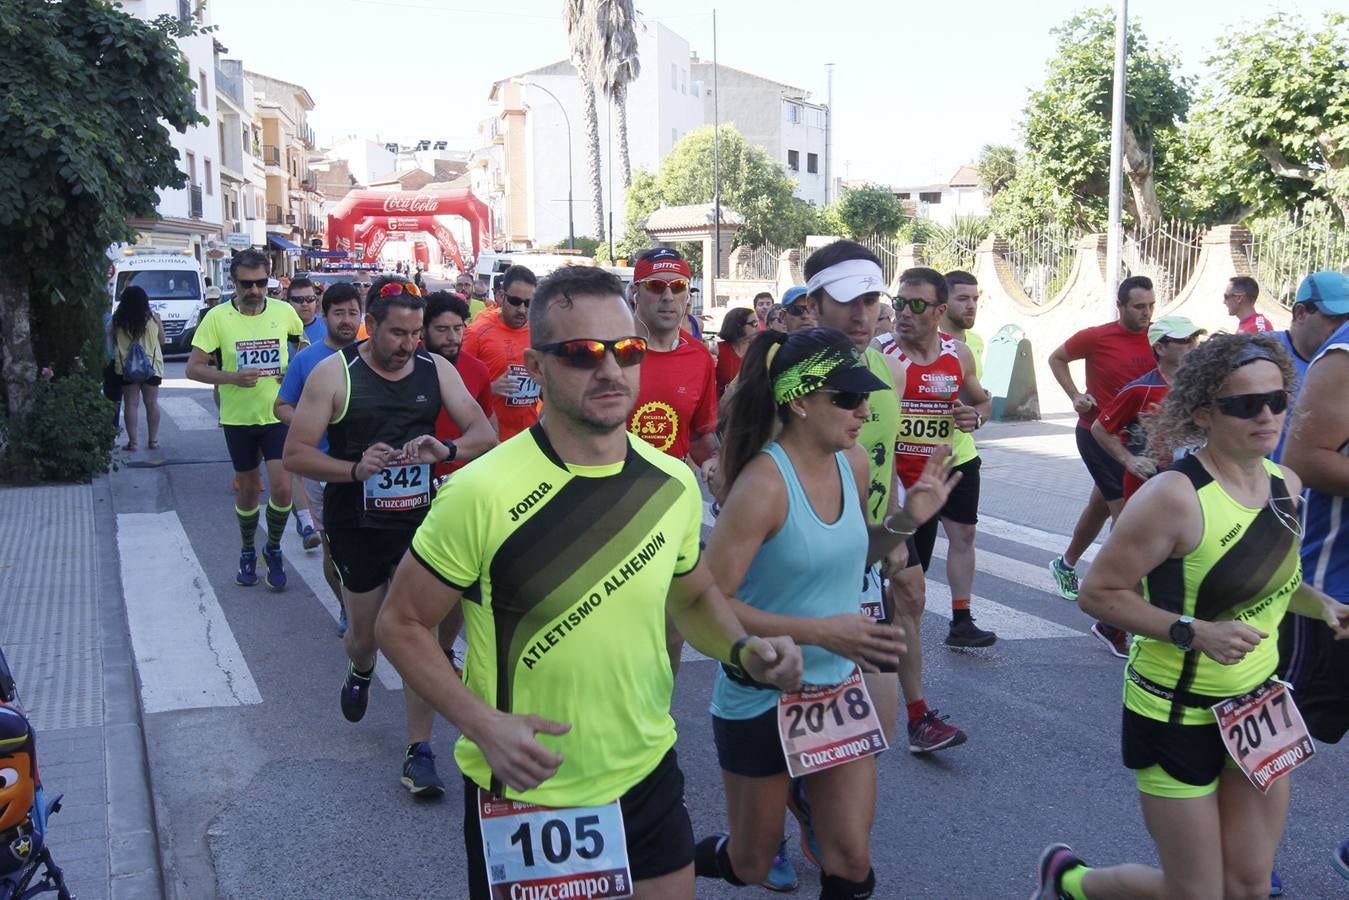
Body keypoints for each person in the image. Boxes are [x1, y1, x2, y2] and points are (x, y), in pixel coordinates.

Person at [373, 265, 804, 900]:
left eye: (624, 350)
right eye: (580, 353)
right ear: (537, 366)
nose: (610, 370)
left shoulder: (673, 482)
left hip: (646, 767)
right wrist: (483, 726)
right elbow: (401, 623)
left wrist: (743, 650)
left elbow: (692, 597)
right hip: (525, 788)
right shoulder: (479, 491)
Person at [1037, 333, 1349, 900]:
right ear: (1204, 412)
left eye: (1277, 400)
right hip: (1175, 714)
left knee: (1251, 886)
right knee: (1196, 893)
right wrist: (1193, 632)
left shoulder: (1287, 486)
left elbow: (1275, 581)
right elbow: (1100, 594)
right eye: (1243, 405)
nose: (1265, 415)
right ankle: (1070, 882)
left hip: (1257, 709)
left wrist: (1320, 603)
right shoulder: (1172, 497)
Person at [695, 326, 957, 900]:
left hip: (836, 691)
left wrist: (907, 520)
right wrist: (821, 631)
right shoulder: (763, 485)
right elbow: (709, 603)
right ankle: (664, 855)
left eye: (866, 396)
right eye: (847, 398)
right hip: (762, 692)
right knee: (751, 861)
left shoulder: (853, 462)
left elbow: (850, 557)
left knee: (851, 858)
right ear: (799, 400)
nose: (865, 410)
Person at [283, 277, 497, 798]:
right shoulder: (334, 374)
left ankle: (418, 750)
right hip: (356, 521)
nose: (408, 344)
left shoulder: (435, 369)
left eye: (415, 333)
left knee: (417, 633)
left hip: (420, 520)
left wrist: (443, 451)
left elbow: (484, 436)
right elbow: (296, 454)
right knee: (366, 635)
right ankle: (359, 667)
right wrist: (355, 469)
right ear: (370, 325)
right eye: (397, 332)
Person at [803, 241, 966, 757]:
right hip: (811, 552)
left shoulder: (887, 370)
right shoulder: (783, 376)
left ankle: (917, 716)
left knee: (911, 600)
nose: (862, 314)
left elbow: (886, 454)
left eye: (871, 300)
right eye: (847, 300)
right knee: (805, 729)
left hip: (875, 538)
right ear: (813, 306)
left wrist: (896, 526)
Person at [875, 267, 996, 651]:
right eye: (899, 303)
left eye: (916, 305)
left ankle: (956, 621)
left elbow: (982, 401)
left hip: (943, 471)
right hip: (901, 481)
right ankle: (883, 638)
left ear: (939, 311)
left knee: (953, 545)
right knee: (907, 575)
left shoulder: (957, 353)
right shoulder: (880, 352)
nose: (904, 312)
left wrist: (973, 417)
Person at [1278, 271, 1349, 882]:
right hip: (1330, 589)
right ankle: (1240, 854)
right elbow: (1302, 459)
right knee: (1281, 731)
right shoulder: (1345, 354)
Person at [1046, 276, 1156, 657]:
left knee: (1101, 504)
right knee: (1127, 518)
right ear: (1121, 306)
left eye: (1151, 306)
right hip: (1097, 434)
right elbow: (1056, 357)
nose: (1146, 314)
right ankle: (1112, 616)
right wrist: (1076, 395)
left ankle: (1066, 562)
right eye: (1139, 307)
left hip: (1139, 441)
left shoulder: (1158, 340)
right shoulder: (1097, 336)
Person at [187, 248, 306, 590]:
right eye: (246, 284)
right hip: (238, 419)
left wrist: (293, 373)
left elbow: (302, 346)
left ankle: (274, 547)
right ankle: (247, 549)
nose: (254, 291)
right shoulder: (217, 318)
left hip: (277, 415)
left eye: (260, 283)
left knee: (282, 490)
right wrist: (231, 377)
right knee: (250, 491)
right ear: (233, 282)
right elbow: (195, 368)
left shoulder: (285, 312)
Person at [274, 282, 365, 633]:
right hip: (323, 467)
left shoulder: (373, 354)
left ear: (362, 317)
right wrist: (309, 423)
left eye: (352, 313)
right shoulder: (307, 359)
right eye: (338, 313)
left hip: (370, 468)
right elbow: (281, 406)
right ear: (324, 316)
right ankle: (346, 607)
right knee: (334, 548)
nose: (345, 320)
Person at [1091, 316, 1204, 502]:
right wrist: (1129, 460)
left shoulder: (1205, 385)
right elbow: (1099, 429)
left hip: (1192, 483)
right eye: (1184, 340)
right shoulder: (1140, 389)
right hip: (1147, 487)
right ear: (1160, 348)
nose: (1193, 344)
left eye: (1195, 338)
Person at [627, 248, 718, 467]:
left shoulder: (700, 357)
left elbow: (699, 436)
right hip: (611, 493)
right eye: (655, 286)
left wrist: (718, 465)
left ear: (688, 296)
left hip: (674, 492)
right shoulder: (607, 350)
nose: (668, 297)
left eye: (678, 287)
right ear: (634, 293)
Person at [1269, 273, 1349, 463]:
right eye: (1336, 317)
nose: (1343, 329)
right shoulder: (1257, 352)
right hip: (1264, 488)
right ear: (1300, 313)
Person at [423, 290, 498, 480]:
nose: (452, 337)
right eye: (442, 329)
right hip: (409, 483)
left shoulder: (477, 370)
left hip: (458, 479)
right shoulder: (405, 363)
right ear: (422, 330)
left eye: (458, 328)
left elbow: (490, 429)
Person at [462, 265, 540, 441]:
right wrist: (489, 390)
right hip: (489, 440)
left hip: (529, 438)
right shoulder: (477, 333)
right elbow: (455, 391)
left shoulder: (539, 332)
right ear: (501, 297)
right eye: (515, 301)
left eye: (528, 303)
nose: (522, 309)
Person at [111, 285, 165, 451]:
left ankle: (133, 442)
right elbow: (162, 340)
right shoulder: (153, 319)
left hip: (126, 368)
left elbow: (113, 340)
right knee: (151, 403)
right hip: (151, 366)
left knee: (131, 404)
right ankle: (153, 441)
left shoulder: (118, 320)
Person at [943, 271, 984, 376]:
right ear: (943, 302)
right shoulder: (929, 342)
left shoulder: (976, 341)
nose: (971, 306)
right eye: (963, 299)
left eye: (975, 299)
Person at [715, 307, 758, 399]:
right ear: (739, 325)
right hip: (721, 408)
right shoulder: (717, 350)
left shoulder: (757, 351)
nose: (758, 327)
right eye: (754, 323)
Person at [287, 276, 327, 345]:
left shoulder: (329, 327)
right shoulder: (279, 328)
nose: (304, 304)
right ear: (288, 302)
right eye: (299, 299)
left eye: (310, 298)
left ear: (316, 300)